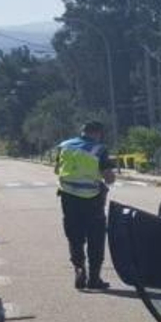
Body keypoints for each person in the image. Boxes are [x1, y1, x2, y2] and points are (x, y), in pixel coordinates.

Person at [55, 121, 116, 291]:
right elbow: (109, 178)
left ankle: (79, 269)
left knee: (75, 236)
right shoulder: (99, 149)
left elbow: (57, 170)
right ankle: (94, 278)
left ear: (83, 131)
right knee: (96, 238)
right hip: (92, 199)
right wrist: (109, 176)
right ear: (98, 133)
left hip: (68, 198)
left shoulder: (64, 146)